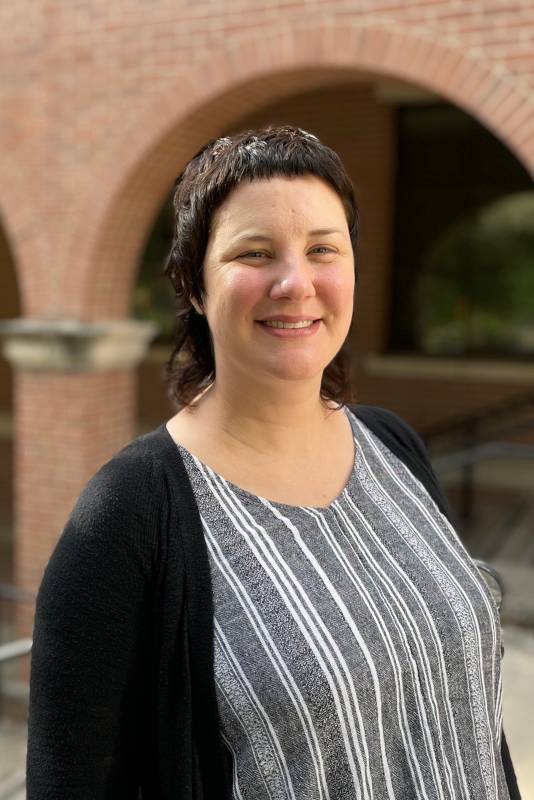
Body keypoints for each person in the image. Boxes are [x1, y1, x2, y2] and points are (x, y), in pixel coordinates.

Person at [26, 125, 520, 799]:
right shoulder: (130, 516)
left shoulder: (394, 446)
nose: (295, 282)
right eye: (255, 254)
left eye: (324, 249)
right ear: (194, 286)